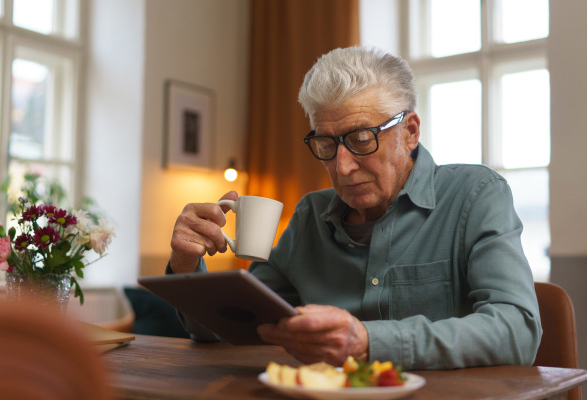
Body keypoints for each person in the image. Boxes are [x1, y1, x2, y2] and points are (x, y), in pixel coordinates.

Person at [168, 46, 542, 370]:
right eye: (326, 144)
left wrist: (369, 341)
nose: (342, 166)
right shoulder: (310, 217)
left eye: (361, 139)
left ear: (410, 131)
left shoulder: (475, 195)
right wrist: (186, 263)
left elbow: (518, 330)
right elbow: (228, 328)